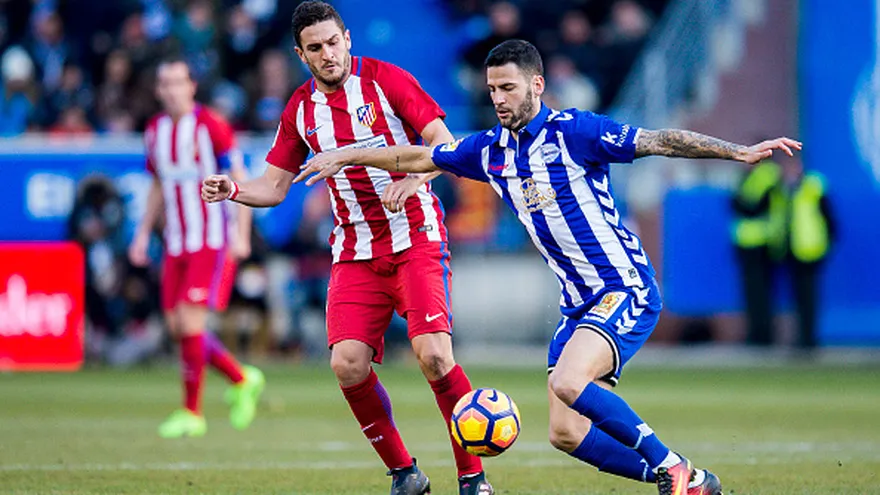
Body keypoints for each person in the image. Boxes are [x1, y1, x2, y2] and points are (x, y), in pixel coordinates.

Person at [294, 39, 803, 495]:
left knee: (566, 381)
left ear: (537, 85)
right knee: (565, 432)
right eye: (492, 89)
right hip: (578, 303)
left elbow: (657, 140)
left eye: (509, 88)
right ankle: (690, 482)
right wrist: (348, 156)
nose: (498, 99)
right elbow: (417, 157)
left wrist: (737, 152)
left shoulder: (575, 132)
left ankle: (671, 466)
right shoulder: (490, 151)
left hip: (623, 288)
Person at [200, 3, 492, 495]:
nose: (327, 54)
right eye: (315, 48)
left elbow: (446, 145)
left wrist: (416, 177)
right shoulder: (300, 110)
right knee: (347, 363)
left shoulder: (386, 81)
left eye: (333, 42)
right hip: (356, 250)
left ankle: (472, 478)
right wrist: (232, 189)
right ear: (301, 54)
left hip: (416, 237)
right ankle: (405, 474)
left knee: (435, 356)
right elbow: (274, 187)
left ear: (348, 39)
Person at [128, 56, 265, 439]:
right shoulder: (155, 130)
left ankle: (192, 412)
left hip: (211, 239)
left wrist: (241, 234)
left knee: (191, 323)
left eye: (178, 82)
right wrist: (141, 235)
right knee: (177, 327)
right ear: (158, 90)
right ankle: (242, 378)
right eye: (165, 83)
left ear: (191, 87)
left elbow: (239, 179)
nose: (171, 90)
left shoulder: (212, 127)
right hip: (176, 242)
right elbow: (157, 185)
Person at [731, 158, 786, 346]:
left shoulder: (766, 178)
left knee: (759, 293)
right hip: (754, 242)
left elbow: (747, 206)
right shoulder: (760, 177)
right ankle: (758, 333)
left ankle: (761, 335)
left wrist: (739, 203)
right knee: (756, 293)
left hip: (760, 243)